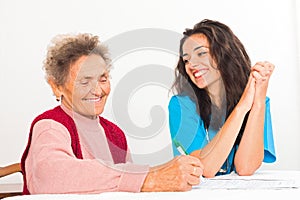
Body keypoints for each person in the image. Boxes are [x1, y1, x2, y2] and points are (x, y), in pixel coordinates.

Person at [20, 33, 204, 194]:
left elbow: (125, 185)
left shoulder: (114, 134)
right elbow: (51, 177)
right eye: (84, 82)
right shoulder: (50, 126)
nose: (97, 90)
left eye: (103, 79)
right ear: (56, 86)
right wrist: (150, 179)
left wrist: (164, 171)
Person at [168, 19, 276, 178]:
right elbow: (205, 169)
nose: (191, 64)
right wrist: (242, 108)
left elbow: (245, 168)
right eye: (186, 59)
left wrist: (258, 99)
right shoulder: (181, 106)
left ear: (224, 55)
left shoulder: (259, 103)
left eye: (201, 53)